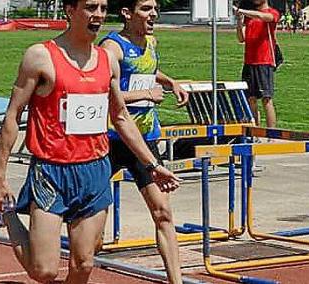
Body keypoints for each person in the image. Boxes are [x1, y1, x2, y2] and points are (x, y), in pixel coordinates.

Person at [0, 0, 180, 283]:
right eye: (90, 7)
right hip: (51, 172)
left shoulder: (106, 61)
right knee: (43, 270)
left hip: (94, 171)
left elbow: (120, 117)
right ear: (70, 11)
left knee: (83, 264)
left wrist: (152, 164)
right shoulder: (40, 56)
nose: (98, 15)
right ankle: (8, 213)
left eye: (103, 8)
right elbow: (13, 116)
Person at [98, 1, 188, 283]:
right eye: (146, 9)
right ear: (127, 13)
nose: (154, 15)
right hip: (110, 140)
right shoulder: (112, 48)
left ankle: (176, 281)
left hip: (145, 141)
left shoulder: (151, 42)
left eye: (155, 8)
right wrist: (145, 94)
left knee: (163, 213)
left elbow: (146, 72)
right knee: (92, 229)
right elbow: (99, 93)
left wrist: (171, 81)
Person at [234, 0, 280, 128]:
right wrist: (239, 21)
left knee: (266, 99)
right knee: (250, 99)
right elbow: (241, 38)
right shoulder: (249, 17)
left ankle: (272, 133)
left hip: (264, 61)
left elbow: (263, 17)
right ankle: (255, 130)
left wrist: (242, 11)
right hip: (249, 61)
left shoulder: (272, 13)